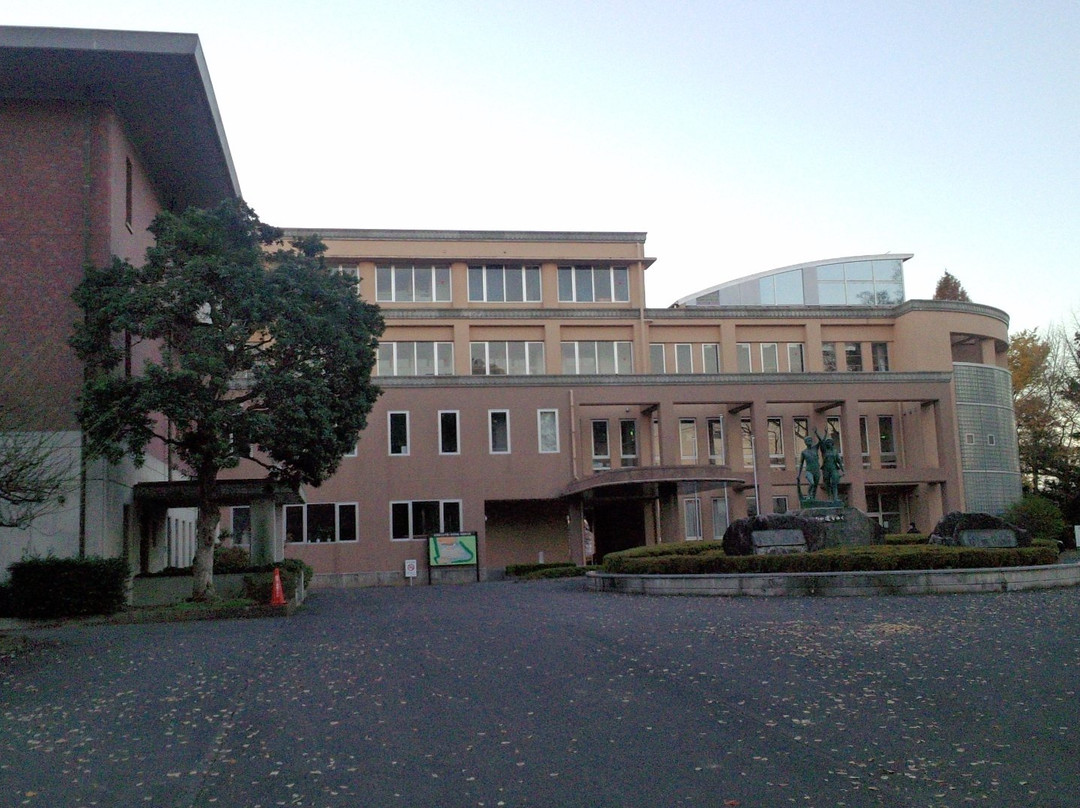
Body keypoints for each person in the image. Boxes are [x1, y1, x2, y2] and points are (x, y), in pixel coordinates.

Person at [796, 434, 821, 501]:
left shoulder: (815, 448)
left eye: (810, 440)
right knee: (812, 483)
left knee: (815, 486)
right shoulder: (804, 452)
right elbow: (801, 463)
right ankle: (808, 495)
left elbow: (821, 441)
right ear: (805, 442)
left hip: (816, 470)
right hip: (809, 470)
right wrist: (799, 474)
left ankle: (813, 498)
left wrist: (816, 433)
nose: (809, 441)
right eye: (808, 440)